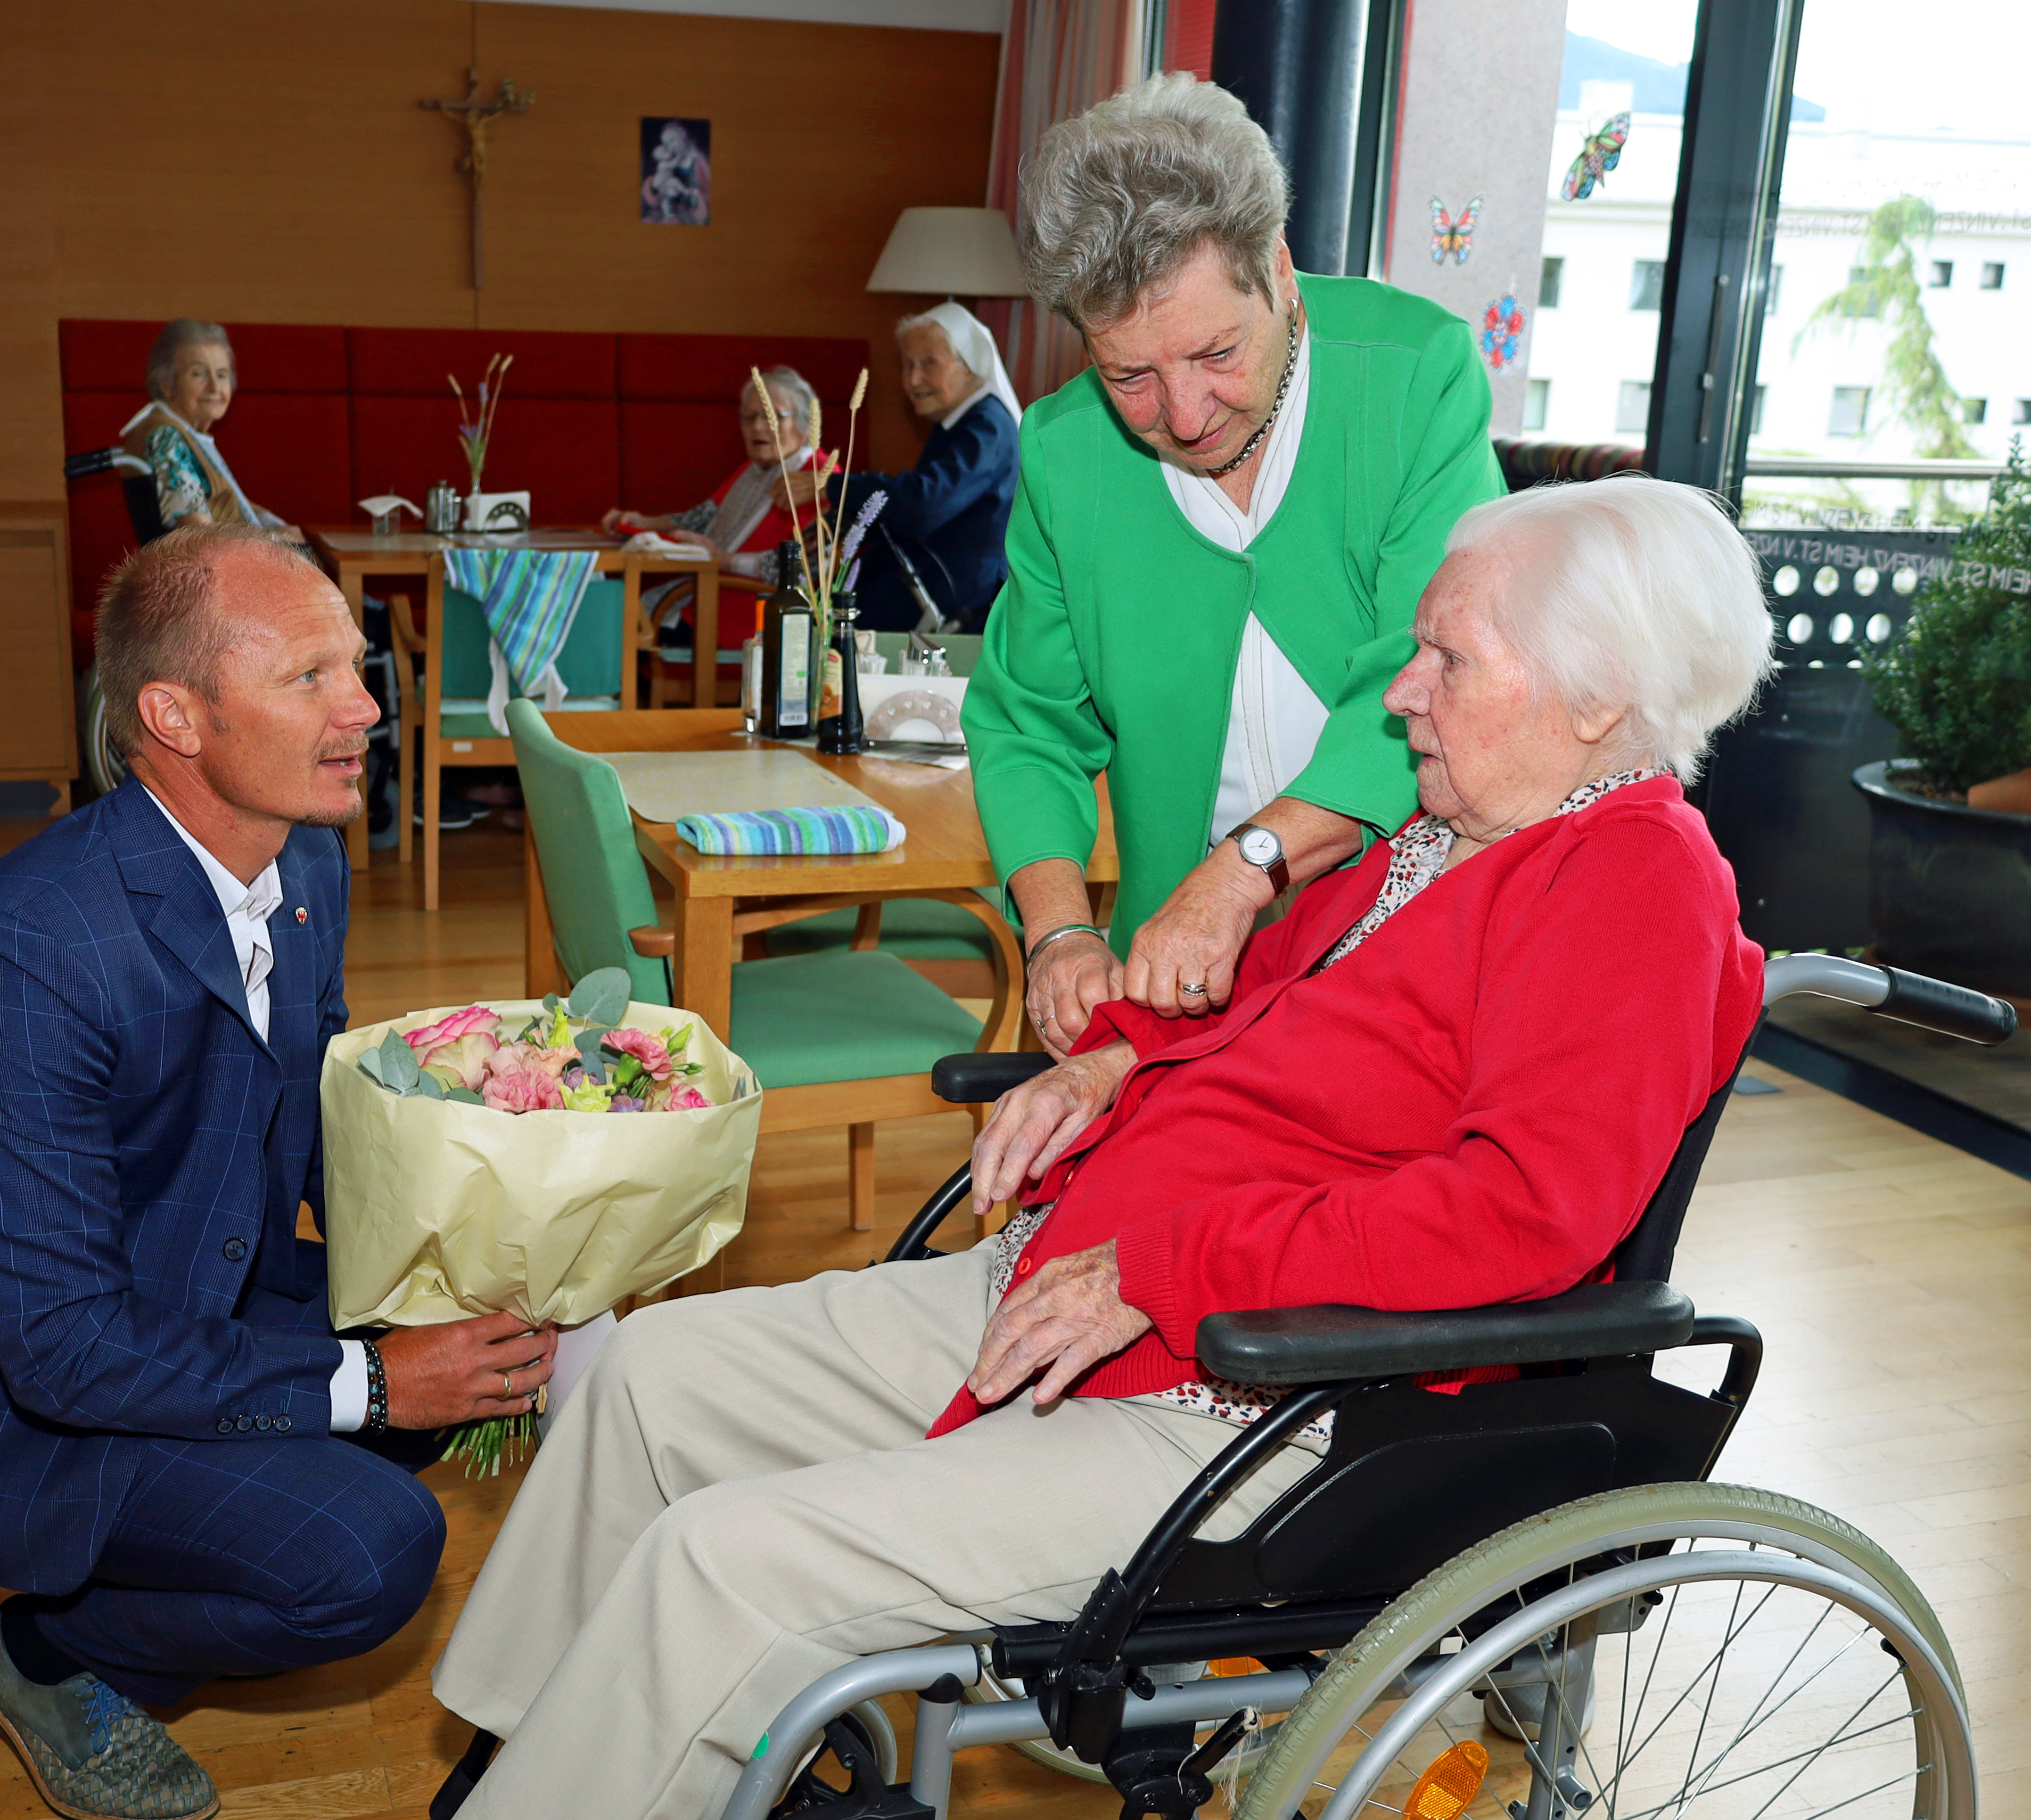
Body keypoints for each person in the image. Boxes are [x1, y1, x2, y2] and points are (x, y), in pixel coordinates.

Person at [427, 474, 1775, 1820]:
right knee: (652, 1377)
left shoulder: (1630, 886)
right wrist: (1110, 1059)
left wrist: (1164, 1267)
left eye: (1446, 657)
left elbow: (1520, 1214)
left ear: (1593, 704)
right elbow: (1268, 1023)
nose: (1399, 692)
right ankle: (530, 1752)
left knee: (723, 1561)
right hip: (1079, 1287)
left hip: (1263, 1399)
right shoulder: (1438, 840)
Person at [0, 526, 558, 1820]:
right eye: (310, 677)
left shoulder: (305, 856)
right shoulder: (23, 955)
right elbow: (60, 1348)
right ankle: (46, 1654)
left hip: (191, 1276)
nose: (366, 707)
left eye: (357, 666)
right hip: (24, 1389)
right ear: (175, 716)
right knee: (370, 1556)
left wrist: (466, 1245)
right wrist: (377, 1372)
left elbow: (317, 1114)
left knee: (460, 1359)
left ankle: (174, 1543)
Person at [958, 74, 1507, 1060]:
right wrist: (1058, 931)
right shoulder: (1064, 451)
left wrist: (1243, 866)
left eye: (1214, 351)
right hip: (1177, 974)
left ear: (1281, 275)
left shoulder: (1413, 380)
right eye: (1127, 373)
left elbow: (1432, 683)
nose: (1181, 412)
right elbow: (1028, 723)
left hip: (1410, 941)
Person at [778, 302, 1022, 632]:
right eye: (907, 365)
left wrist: (838, 487)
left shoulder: (986, 427)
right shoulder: (961, 423)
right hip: (932, 583)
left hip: (958, 597)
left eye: (928, 363)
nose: (913, 379)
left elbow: (925, 505)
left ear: (969, 365)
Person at [600, 365, 828, 653]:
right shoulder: (752, 469)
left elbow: (812, 567)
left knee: (619, 620)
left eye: (772, 416)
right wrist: (642, 522)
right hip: (707, 595)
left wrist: (726, 561)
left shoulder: (818, 479)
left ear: (806, 425)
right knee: (617, 608)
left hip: (754, 617)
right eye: (749, 417)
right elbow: (704, 517)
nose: (758, 427)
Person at [121, 319, 301, 537]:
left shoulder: (184, 432)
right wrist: (274, 539)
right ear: (166, 383)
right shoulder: (166, 438)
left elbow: (232, 500)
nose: (215, 387)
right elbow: (202, 536)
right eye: (199, 374)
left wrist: (277, 526)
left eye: (222, 375)